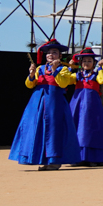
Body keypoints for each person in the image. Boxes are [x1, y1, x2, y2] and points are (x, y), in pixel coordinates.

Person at [10, 38, 80, 170]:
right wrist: (31, 75)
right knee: (36, 129)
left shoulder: (64, 69)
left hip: (55, 104)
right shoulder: (40, 69)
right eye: (49, 52)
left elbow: (63, 84)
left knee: (54, 130)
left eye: (54, 52)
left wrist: (55, 70)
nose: (50, 55)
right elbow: (29, 85)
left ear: (60, 56)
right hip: (37, 103)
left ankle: (54, 160)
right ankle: (40, 159)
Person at [66, 47, 103, 166]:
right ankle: (76, 157)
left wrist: (101, 68)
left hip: (92, 105)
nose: (87, 63)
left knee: (92, 128)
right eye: (84, 61)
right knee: (77, 128)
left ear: (94, 63)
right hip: (77, 104)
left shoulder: (95, 75)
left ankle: (93, 157)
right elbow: (65, 81)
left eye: (89, 61)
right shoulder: (77, 75)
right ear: (81, 63)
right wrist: (69, 68)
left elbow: (102, 80)